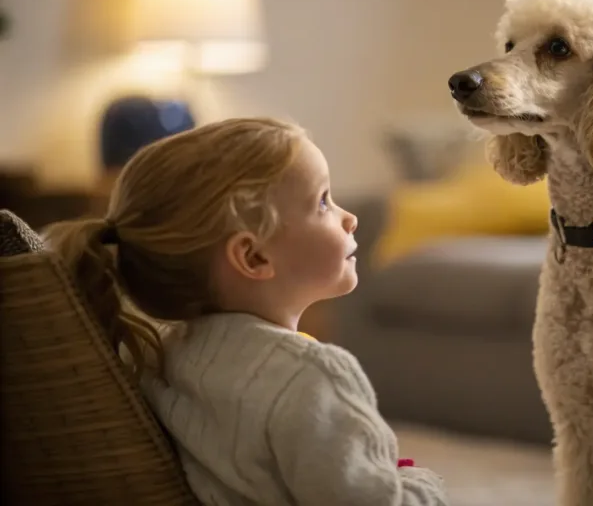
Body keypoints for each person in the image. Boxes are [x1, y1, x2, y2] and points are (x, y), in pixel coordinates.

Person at [43, 117, 448, 506]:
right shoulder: (313, 376)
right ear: (253, 256)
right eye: (323, 202)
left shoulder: (158, 357)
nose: (350, 218)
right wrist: (416, 480)